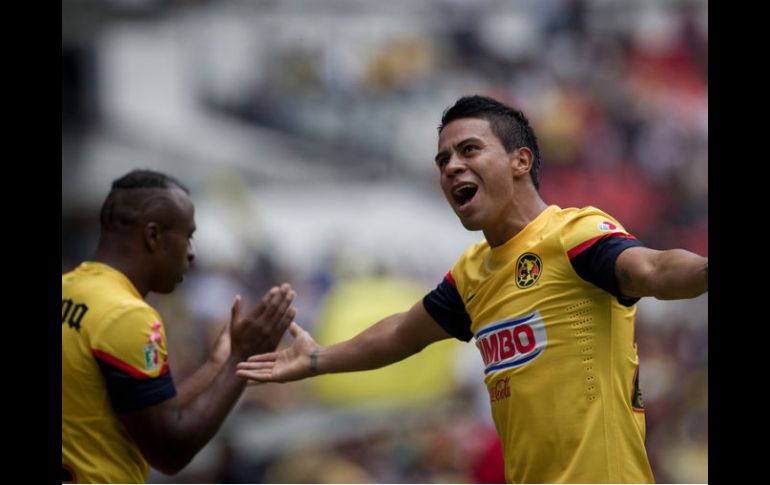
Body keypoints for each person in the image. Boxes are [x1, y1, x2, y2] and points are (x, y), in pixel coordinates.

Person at [236, 95, 708, 484]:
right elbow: (400, 333)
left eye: (468, 150)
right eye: (444, 160)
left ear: (520, 160)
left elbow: (654, 268)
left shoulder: (573, 235)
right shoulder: (472, 274)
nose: (451, 167)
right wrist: (317, 359)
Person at [61, 169, 297, 483]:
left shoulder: (69, 287)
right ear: (153, 236)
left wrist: (218, 364)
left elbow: (147, 413)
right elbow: (170, 452)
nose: (191, 252)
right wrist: (241, 359)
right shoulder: (127, 315)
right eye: (188, 235)